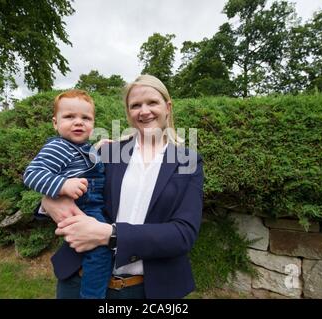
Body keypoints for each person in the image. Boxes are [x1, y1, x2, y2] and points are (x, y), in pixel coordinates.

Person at [38, 75, 204, 299]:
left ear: (168, 107)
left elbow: (183, 234)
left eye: (152, 102)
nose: (144, 111)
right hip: (80, 277)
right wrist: (48, 202)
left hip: (145, 290)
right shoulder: (108, 152)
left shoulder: (188, 162)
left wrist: (111, 235)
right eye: (135, 105)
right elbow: (73, 187)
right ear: (129, 113)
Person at [24, 89, 112, 299]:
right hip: (84, 208)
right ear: (55, 123)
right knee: (101, 251)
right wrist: (62, 185)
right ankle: (92, 296)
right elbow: (31, 174)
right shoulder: (58, 147)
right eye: (69, 117)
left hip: (93, 207)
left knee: (89, 250)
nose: (78, 122)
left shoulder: (81, 147)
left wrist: (98, 149)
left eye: (86, 118)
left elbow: (82, 161)